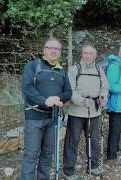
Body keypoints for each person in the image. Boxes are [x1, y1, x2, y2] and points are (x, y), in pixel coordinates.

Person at [21, 38, 72, 180]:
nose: (54, 51)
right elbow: (27, 88)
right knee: (31, 154)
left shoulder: (62, 71)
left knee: (47, 153)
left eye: (57, 49)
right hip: (34, 117)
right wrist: (45, 101)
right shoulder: (32, 66)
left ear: (60, 53)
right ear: (44, 50)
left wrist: (58, 99)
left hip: (53, 118)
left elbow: (68, 91)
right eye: (50, 48)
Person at [63, 45, 109, 179]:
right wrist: (81, 101)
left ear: (95, 56)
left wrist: (103, 97)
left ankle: (93, 166)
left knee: (93, 140)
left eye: (90, 54)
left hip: (94, 111)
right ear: (82, 54)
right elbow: (69, 91)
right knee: (72, 141)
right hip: (76, 112)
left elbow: (105, 87)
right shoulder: (74, 70)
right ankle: (69, 170)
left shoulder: (99, 70)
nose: (88, 56)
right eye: (85, 53)